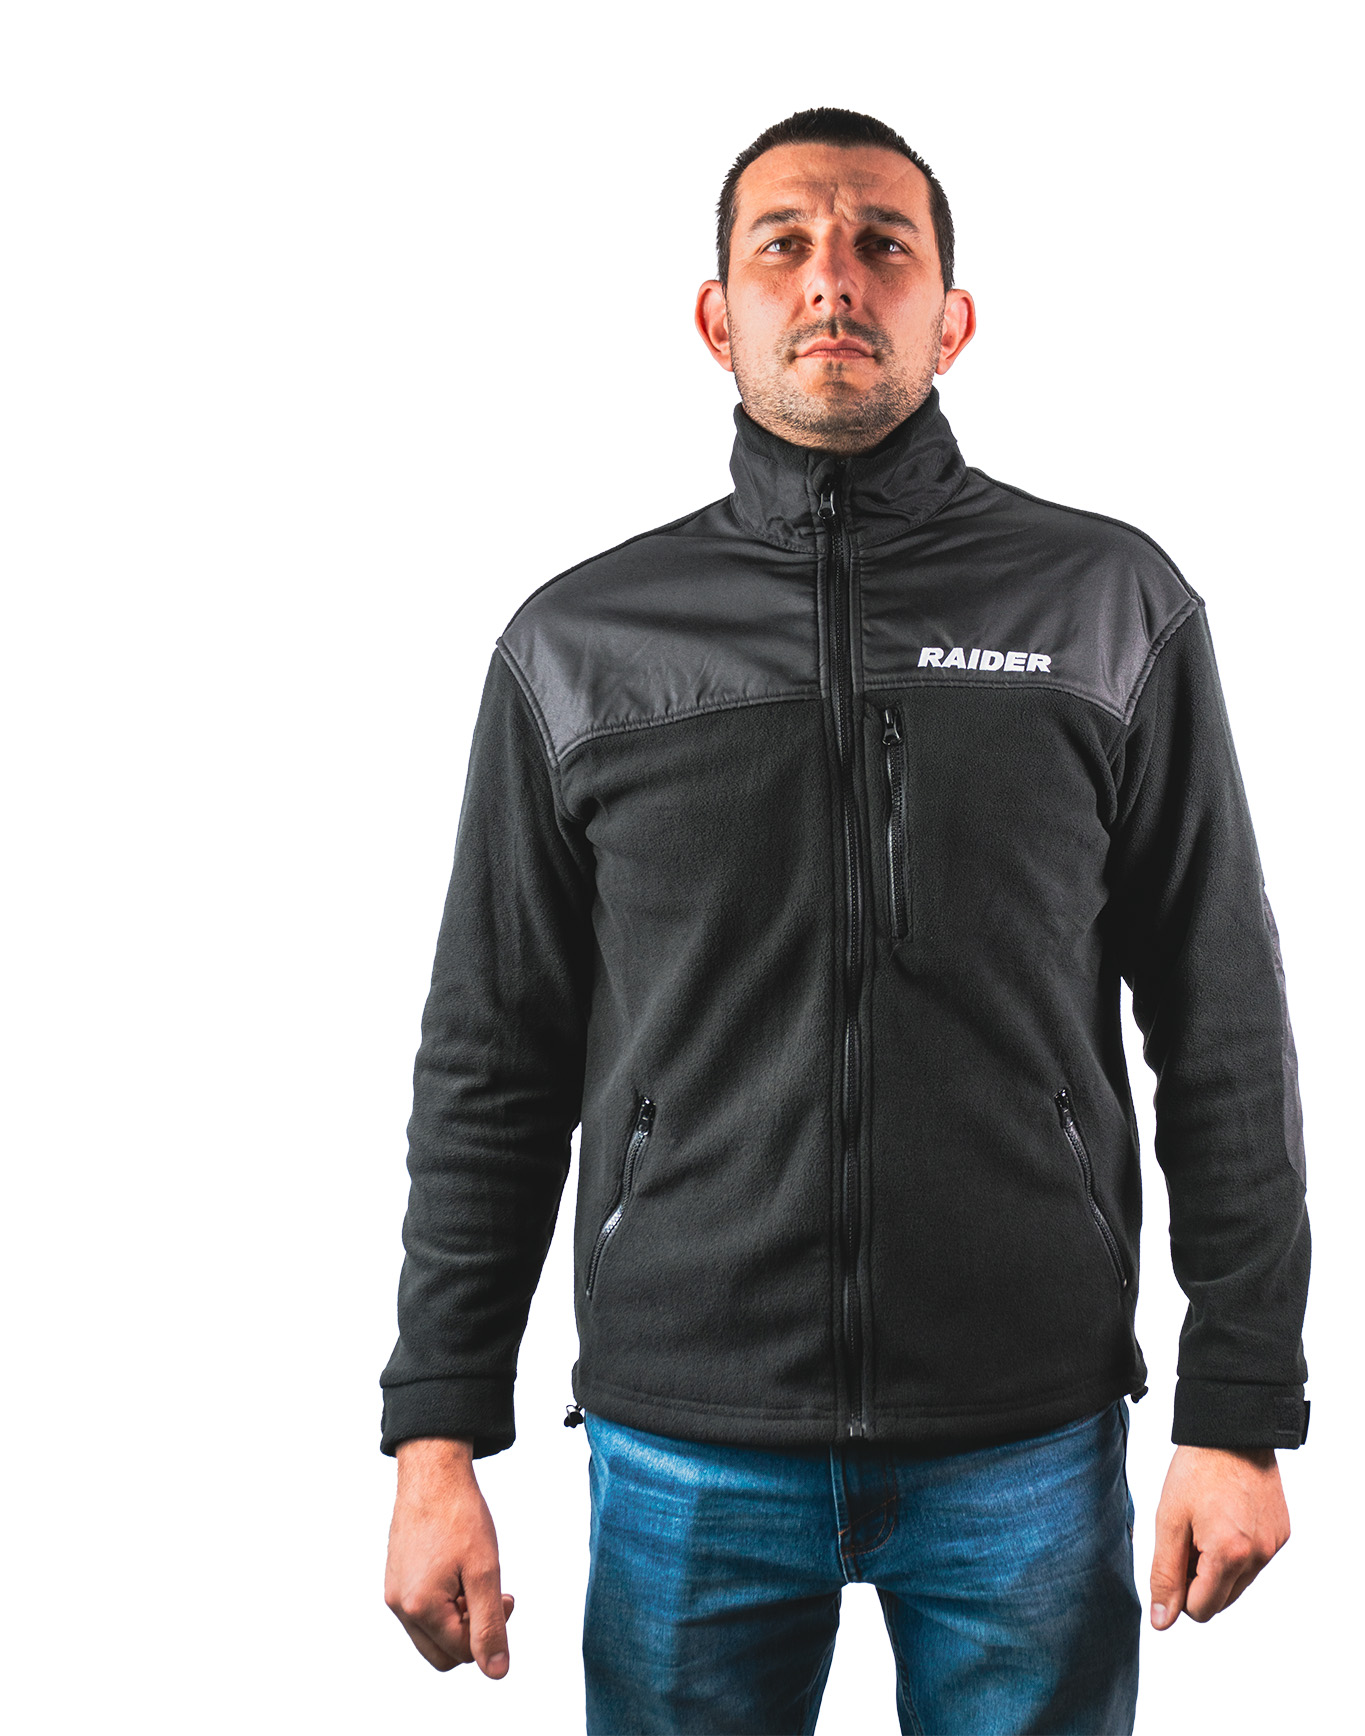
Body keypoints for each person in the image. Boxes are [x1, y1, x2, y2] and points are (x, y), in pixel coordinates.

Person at [381, 107, 1311, 1735]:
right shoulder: (581, 645)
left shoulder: (1108, 606)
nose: (833, 279)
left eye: (884, 245)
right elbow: (492, 1058)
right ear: (716, 318)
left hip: (1025, 1433)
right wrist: (434, 1437)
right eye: (785, 246)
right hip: (687, 1440)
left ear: (952, 318)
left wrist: (1241, 1405)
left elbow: (1221, 1017)